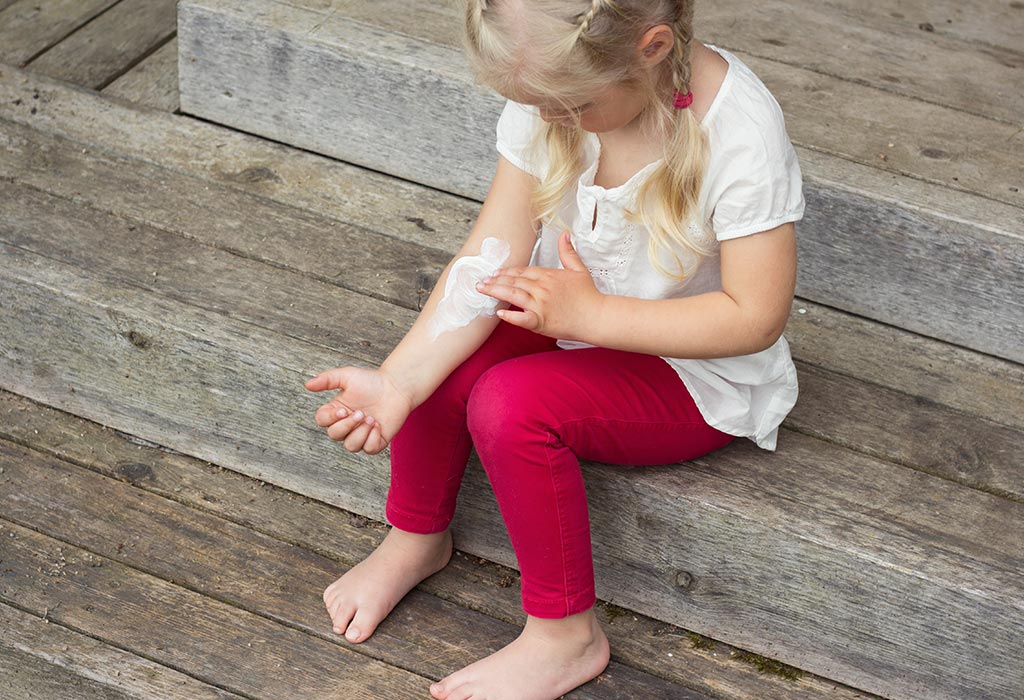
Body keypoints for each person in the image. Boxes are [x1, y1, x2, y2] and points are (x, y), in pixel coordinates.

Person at [304, 0, 804, 698]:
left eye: (570, 106)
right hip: (573, 315)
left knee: (511, 405)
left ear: (651, 49)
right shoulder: (552, 102)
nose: (549, 120)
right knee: (454, 348)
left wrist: (594, 314)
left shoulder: (738, 130)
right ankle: (416, 537)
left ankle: (565, 636)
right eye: (534, 105)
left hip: (692, 371)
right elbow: (490, 254)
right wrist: (398, 381)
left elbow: (754, 317)